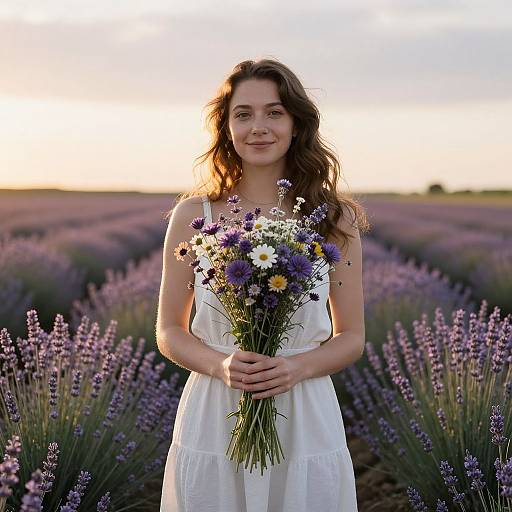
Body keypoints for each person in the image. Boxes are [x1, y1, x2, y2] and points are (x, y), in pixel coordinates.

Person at [156, 58, 370, 512]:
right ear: (226, 127)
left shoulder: (334, 220)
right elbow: (169, 332)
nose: (259, 127)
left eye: (274, 112)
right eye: (243, 114)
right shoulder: (195, 216)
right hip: (216, 410)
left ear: (296, 124)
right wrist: (221, 366)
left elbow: (351, 337)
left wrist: (298, 368)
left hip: (303, 411)